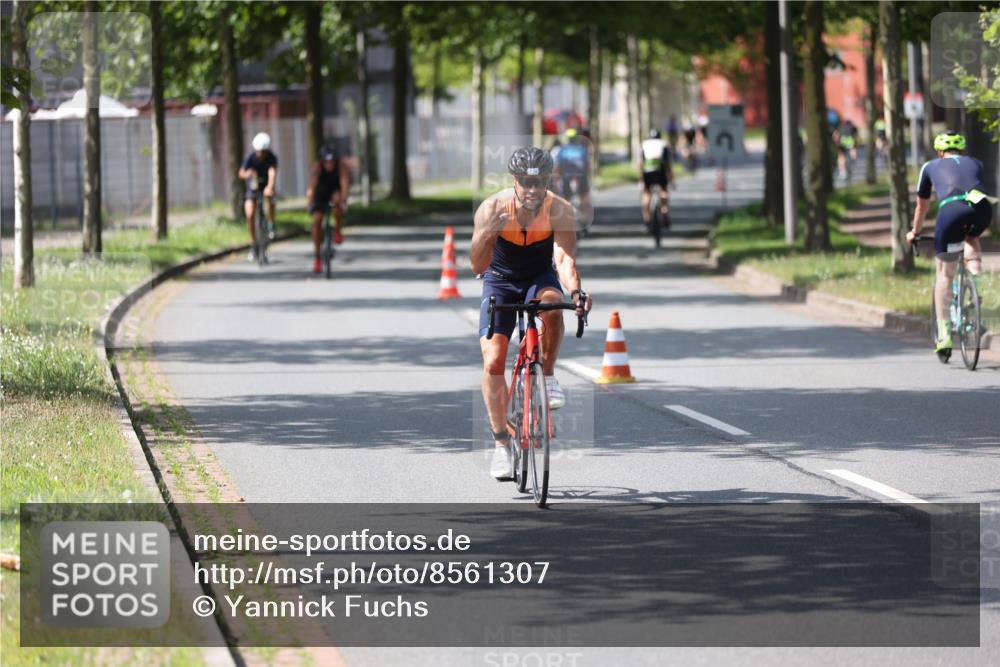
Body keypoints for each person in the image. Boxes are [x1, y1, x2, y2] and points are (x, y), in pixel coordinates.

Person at [470, 147, 593, 480]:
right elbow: (477, 265)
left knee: (553, 309)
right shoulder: (492, 208)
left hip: (540, 277)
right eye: (526, 182)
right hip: (499, 280)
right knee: (494, 359)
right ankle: (500, 445)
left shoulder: (560, 210)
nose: (533, 189)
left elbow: (564, 261)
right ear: (515, 181)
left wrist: (577, 292)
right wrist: (486, 233)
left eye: (540, 182)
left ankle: (548, 376)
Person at [906, 131, 996, 357]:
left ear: (939, 151)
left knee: (944, 275)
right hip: (982, 209)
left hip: (951, 212)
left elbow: (921, 207)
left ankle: (944, 334)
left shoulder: (929, 166)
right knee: (971, 238)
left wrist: (915, 232)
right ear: (961, 150)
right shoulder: (976, 162)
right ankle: (976, 288)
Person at [306, 142, 351, 273]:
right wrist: (309, 202)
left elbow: (344, 185)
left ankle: (337, 230)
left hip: (335, 191)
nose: (329, 164)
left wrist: (344, 201)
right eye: (326, 162)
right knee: (317, 222)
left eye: (332, 161)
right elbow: (312, 186)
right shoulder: (317, 168)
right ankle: (317, 257)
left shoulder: (341, 166)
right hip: (320, 193)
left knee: (337, 202)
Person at [238, 132, 278, 262]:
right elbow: (241, 173)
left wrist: (270, 187)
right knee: (250, 213)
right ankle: (253, 242)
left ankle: (271, 224)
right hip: (253, 187)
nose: (260, 154)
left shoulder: (271, 158)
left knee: (270, 200)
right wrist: (247, 174)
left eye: (263, 152)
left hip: (266, 186)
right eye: (258, 151)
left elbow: (272, 172)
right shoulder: (250, 158)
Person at [551, 128, 594, 232]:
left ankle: (567, 221)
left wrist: (555, 181)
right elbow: (588, 166)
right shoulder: (583, 149)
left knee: (566, 200)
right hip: (581, 178)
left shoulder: (561, 149)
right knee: (585, 200)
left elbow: (557, 167)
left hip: (566, 178)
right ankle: (585, 221)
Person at [639, 129, 673, 227]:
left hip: (647, 170)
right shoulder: (664, 144)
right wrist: (671, 179)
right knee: (663, 191)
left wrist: (641, 179)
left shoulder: (644, 144)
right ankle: (664, 213)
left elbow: (641, 164)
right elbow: (667, 164)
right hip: (660, 170)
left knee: (646, 192)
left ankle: (646, 217)